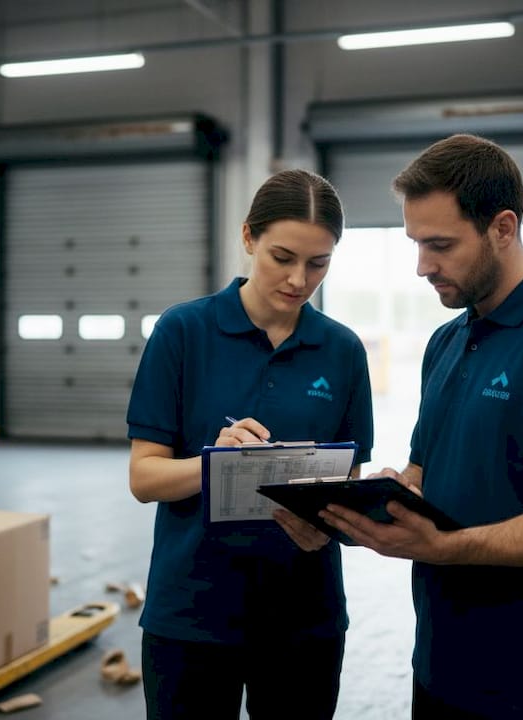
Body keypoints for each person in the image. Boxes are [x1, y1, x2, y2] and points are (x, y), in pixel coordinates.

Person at [320, 134, 523, 719]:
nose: (422, 267)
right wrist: (393, 495)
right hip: (441, 665)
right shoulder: (447, 341)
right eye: (416, 243)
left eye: (440, 245)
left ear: (503, 227)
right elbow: (426, 468)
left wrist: (446, 547)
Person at [126, 168, 374, 719]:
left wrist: (337, 516)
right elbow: (144, 478)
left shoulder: (342, 351)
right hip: (191, 614)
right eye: (281, 257)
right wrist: (219, 464)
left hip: (304, 618)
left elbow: (351, 479)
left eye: (318, 263)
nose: (298, 279)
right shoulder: (183, 332)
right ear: (248, 238)